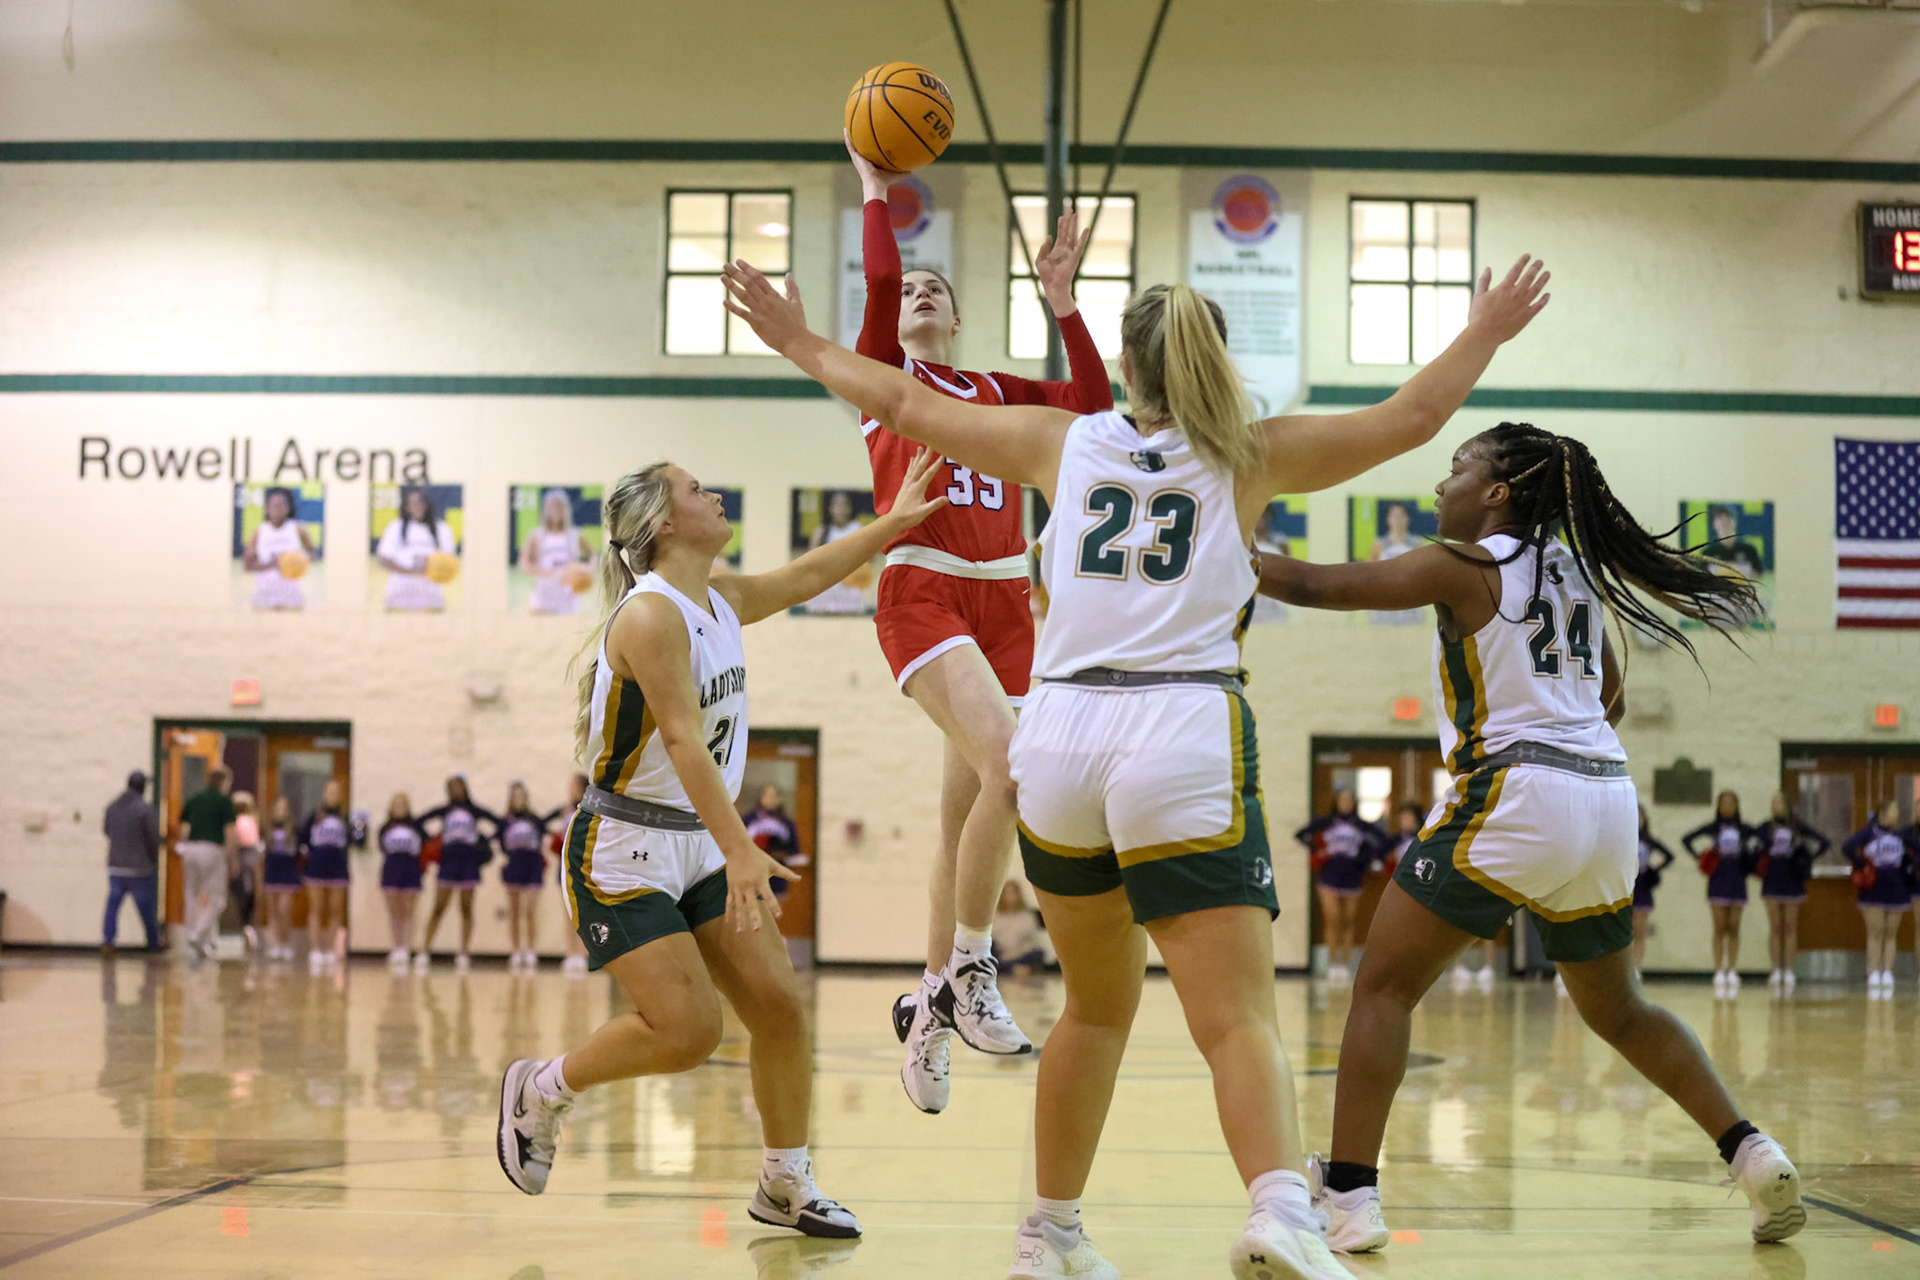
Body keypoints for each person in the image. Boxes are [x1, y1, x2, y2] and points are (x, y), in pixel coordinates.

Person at [723, 246, 1555, 1279]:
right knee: (1236, 1010)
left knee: (1094, 1004)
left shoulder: (1057, 439)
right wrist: (1487, 328)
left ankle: (1050, 1233)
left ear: (1124, 363)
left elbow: (895, 395)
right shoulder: (1248, 451)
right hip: (1179, 731)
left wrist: (793, 337)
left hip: (1063, 739)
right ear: (1209, 356)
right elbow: (1413, 418)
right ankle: (1282, 1210)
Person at [1253, 420, 1803, 1253]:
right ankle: (1752, 1153)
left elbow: (1327, 585)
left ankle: (1352, 1198)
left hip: (1516, 789)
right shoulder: (1578, 576)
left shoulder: (1461, 564)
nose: (1442, 485)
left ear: (1498, 492)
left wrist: (1215, 544)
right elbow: (1608, 696)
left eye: (1457, 469)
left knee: (1383, 988)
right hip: (1606, 796)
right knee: (1620, 1007)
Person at [495, 448, 949, 1244]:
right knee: (688, 1032)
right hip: (623, 846)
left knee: (778, 1010)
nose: (714, 495)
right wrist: (742, 848)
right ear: (666, 522)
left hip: (700, 840)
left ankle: (785, 1182)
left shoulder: (717, 600)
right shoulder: (650, 614)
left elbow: (808, 577)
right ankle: (543, 1088)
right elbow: (682, 740)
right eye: (697, 489)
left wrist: (894, 524)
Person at [846, 137, 1114, 1115]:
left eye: (932, 287)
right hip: (925, 589)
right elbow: (877, 289)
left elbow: (1093, 408)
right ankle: (968, 969)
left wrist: (1065, 304)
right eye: (908, 286)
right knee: (1015, 769)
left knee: (969, 808)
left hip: (1010, 600)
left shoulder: (1000, 393)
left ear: (959, 314)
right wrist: (879, 196)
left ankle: (924, 1008)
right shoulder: (887, 383)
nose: (916, 292)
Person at [1292, 792, 1385, 985]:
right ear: (1336, 802)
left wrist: (1365, 859)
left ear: (1354, 803)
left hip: (1352, 874)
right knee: (1332, 918)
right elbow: (1301, 834)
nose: (1345, 803)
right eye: (1342, 800)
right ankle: (1332, 964)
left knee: (1348, 920)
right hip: (1329, 874)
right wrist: (1317, 851)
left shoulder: (1361, 825)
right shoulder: (1326, 823)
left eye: (1349, 800)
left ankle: (1344, 964)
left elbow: (1381, 841)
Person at [1683, 792, 1759, 997]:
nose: (1727, 806)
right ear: (1718, 806)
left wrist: (1753, 856)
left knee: (1734, 926)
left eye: (1731, 802)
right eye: (1723, 802)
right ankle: (1718, 970)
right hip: (1718, 881)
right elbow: (1687, 839)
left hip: (1737, 881)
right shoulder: (1713, 828)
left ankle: (1731, 969)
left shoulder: (1744, 829)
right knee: (1719, 926)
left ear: (1737, 805)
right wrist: (1702, 856)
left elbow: (1765, 839)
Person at [420, 776, 499, 971]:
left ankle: (463, 952)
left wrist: (484, 841)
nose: (455, 790)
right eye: (451, 787)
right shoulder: (445, 810)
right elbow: (419, 821)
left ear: (465, 788)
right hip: (448, 862)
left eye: (458, 786)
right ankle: (424, 950)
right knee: (438, 907)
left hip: (468, 863)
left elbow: (499, 822)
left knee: (466, 908)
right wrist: (432, 839)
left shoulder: (474, 810)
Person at [1753, 792, 1829, 994]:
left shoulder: (1798, 826)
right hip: (1772, 879)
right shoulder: (1765, 827)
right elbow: (1752, 842)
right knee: (1775, 926)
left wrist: (1807, 856)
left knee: (1789, 926)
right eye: (1773, 802)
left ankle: (1789, 969)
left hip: (1792, 878)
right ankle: (1776, 968)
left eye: (1779, 802)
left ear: (1787, 805)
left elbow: (1824, 841)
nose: (1776, 805)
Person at [1843, 800, 1919, 999]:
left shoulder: (1900, 834)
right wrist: (1861, 863)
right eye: (1894, 809)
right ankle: (1874, 972)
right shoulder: (1868, 832)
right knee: (1875, 932)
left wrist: (1911, 863)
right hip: (1873, 888)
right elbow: (1848, 846)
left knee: (1891, 933)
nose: (1897, 813)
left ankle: (1888, 972)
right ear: (1883, 812)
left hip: (1896, 887)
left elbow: (1917, 847)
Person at [176, 766, 237, 963]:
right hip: (213, 849)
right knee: (216, 898)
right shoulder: (223, 802)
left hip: (191, 849)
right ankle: (198, 933)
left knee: (191, 894)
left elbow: (184, 828)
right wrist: (232, 856)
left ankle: (194, 938)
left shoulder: (194, 799)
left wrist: (184, 848)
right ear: (224, 782)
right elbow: (229, 832)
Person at [102, 770, 163, 956]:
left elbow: (106, 831)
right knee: (147, 909)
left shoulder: (112, 807)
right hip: (140, 869)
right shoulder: (145, 809)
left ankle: (108, 941)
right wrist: (153, 860)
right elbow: (153, 838)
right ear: (143, 787)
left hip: (116, 867)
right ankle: (153, 943)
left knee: (112, 906)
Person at [497, 782, 557, 972]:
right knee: (514, 912)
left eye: (522, 796)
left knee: (529, 911)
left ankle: (531, 950)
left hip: (532, 866)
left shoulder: (534, 820)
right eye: (515, 797)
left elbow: (545, 835)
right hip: (514, 866)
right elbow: (501, 844)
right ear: (511, 799)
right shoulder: (505, 821)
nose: (519, 800)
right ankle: (516, 950)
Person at [299, 779, 356, 973]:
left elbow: (352, 841)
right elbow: (302, 838)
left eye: (336, 791)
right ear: (324, 793)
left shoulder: (345, 818)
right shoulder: (314, 816)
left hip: (338, 867)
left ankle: (331, 948)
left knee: (335, 909)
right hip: (316, 866)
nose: (333, 794)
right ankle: (315, 949)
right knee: (316, 908)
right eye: (330, 791)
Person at [377, 486, 457, 612]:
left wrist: (430, 567)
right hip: (399, 593)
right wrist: (410, 571)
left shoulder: (442, 529)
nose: (417, 507)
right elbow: (383, 559)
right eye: (412, 504)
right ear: (406, 507)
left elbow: (450, 559)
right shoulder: (395, 527)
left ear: (427, 505)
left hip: (431, 595)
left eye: (420, 503)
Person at [243, 486, 317, 610]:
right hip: (264, 595)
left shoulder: (298, 529)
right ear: (267, 509)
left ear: (287, 508)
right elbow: (247, 566)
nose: (277, 510)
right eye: (273, 506)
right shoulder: (260, 532)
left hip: (291, 595)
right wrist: (274, 564)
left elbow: (315, 554)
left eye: (280, 506)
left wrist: (302, 559)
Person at [800, 491, 873, 615]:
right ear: (830, 509)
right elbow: (810, 561)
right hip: (827, 585)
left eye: (843, 505)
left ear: (849, 508)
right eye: (836, 506)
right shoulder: (821, 532)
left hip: (850, 585)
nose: (840, 510)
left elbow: (868, 558)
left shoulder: (857, 529)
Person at [523, 488, 591, 615]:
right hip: (543, 595)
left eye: (559, 506)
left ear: (566, 509)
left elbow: (593, 557)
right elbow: (524, 565)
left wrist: (584, 569)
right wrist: (552, 572)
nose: (555, 510)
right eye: (551, 506)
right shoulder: (536, 535)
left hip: (569, 596)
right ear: (545, 509)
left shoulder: (576, 534)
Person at [378, 793, 427, 969]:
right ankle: (396, 946)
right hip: (392, 869)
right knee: (394, 911)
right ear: (391, 808)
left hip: (411, 869)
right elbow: (382, 848)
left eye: (403, 805)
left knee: (409, 910)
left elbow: (424, 847)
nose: (400, 808)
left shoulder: (416, 827)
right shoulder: (385, 828)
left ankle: (406, 947)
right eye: (396, 805)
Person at [553, 771, 591, 975]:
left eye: (572, 784)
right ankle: (571, 953)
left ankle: (583, 954)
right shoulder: (566, 809)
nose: (570, 787)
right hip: (565, 864)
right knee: (567, 913)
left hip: (582, 865)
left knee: (582, 913)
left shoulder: (588, 808)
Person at [1631, 807, 1676, 974]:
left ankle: (1636, 968)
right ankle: (1625, 968)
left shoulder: (1648, 840)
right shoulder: (1622, 839)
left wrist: (1654, 870)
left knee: (1640, 931)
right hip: (1626, 888)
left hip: (1642, 887)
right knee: (1625, 932)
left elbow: (1669, 855)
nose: (1637, 820)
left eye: (1640, 816)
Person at [742, 784, 803, 900]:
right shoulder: (748, 819)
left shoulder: (787, 823)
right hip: (752, 873)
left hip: (776, 876)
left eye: (774, 796)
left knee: (774, 911)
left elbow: (794, 849)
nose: (770, 799)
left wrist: (776, 853)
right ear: (761, 797)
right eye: (767, 795)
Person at [260, 795, 302, 962]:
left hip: (287, 872)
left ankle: (285, 943)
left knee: (284, 909)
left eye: (284, 808)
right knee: (272, 911)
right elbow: (261, 854)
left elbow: (300, 853)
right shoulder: (266, 829)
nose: (281, 811)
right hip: (272, 872)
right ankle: (274, 944)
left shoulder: (294, 830)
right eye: (278, 808)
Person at [1367, 500, 1423, 626]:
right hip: (1385, 598)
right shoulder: (1379, 544)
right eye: (1394, 516)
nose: (1397, 520)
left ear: (1407, 519)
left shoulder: (1416, 544)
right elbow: (1370, 573)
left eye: (1400, 516)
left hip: (1409, 600)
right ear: (1388, 519)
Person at [991, 880, 1054, 975]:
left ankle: (1011, 968)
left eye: (1013, 893)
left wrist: (1016, 954)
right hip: (1003, 955)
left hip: (1022, 954)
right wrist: (1006, 955)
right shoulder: (996, 917)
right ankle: (1014, 968)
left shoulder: (1028, 916)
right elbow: (993, 940)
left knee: (1039, 953)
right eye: (1007, 893)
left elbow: (1031, 941)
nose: (1010, 896)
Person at [230, 791, 262, 954]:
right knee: (247, 898)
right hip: (247, 864)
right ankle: (246, 928)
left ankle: (242, 930)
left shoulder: (235, 822)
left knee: (237, 898)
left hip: (238, 864)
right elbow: (255, 852)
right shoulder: (250, 822)